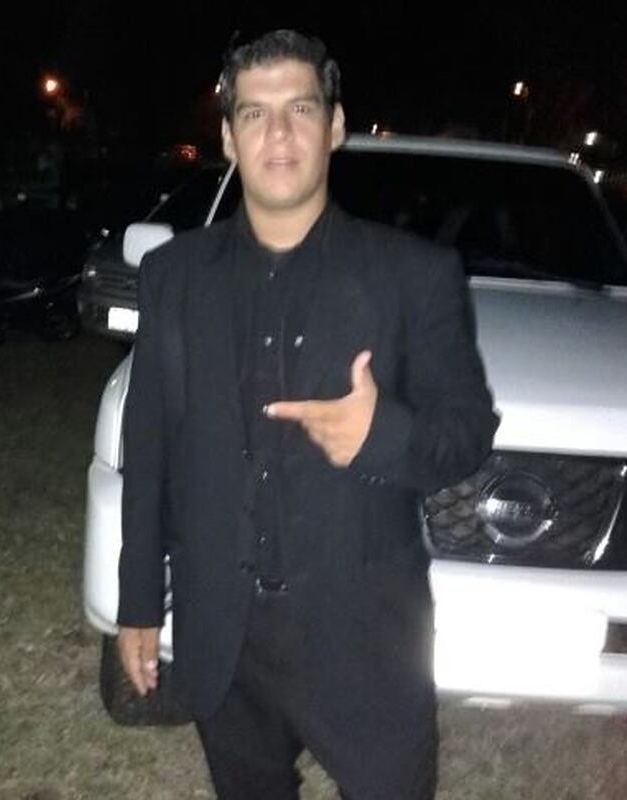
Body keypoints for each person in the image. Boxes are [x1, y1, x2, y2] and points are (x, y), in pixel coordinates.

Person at [117, 29, 499, 799]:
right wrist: (137, 606)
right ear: (229, 138)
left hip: (365, 637)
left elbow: (468, 436)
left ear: (335, 125)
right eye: (254, 114)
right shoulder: (172, 277)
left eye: (300, 108)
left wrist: (382, 435)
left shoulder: (415, 275)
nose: (279, 133)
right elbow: (149, 447)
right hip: (222, 631)